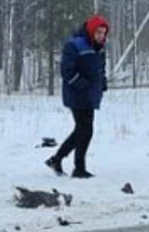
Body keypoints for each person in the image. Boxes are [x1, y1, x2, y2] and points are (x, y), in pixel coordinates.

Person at [45, 14, 109, 178]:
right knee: (85, 130)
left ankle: (57, 159)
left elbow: (100, 68)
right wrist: (82, 85)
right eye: (98, 33)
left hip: (90, 94)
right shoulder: (75, 45)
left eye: (103, 33)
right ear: (91, 31)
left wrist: (102, 82)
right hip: (77, 94)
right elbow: (67, 71)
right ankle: (78, 167)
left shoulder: (100, 47)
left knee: (82, 130)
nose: (101, 36)